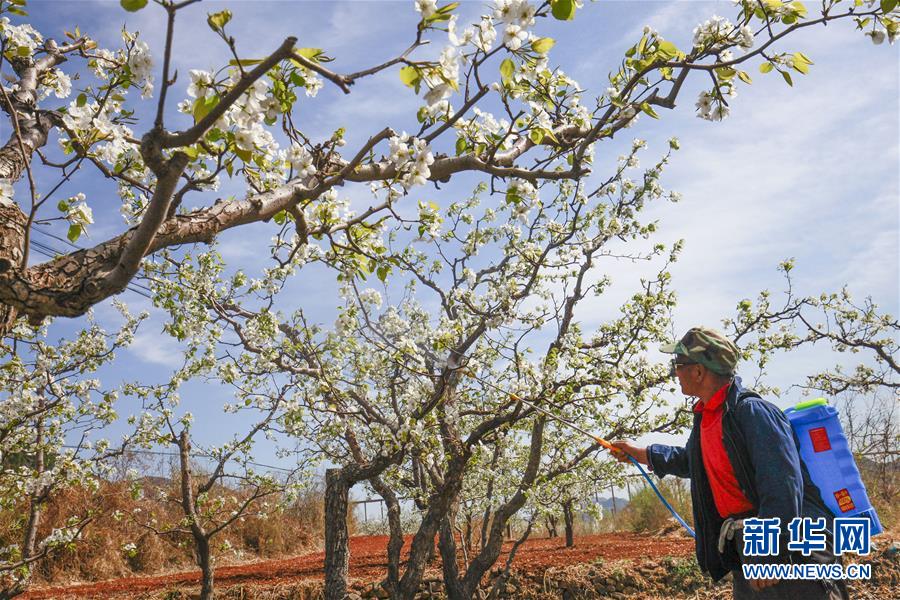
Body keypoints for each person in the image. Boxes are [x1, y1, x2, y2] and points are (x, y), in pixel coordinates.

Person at [611, 326, 848, 599]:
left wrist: (769, 554)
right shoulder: (709, 417)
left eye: (679, 364)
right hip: (749, 546)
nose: (675, 372)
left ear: (699, 372)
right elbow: (694, 461)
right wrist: (640, 453)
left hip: (792, 551)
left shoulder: (752, 413)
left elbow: (782, 487)